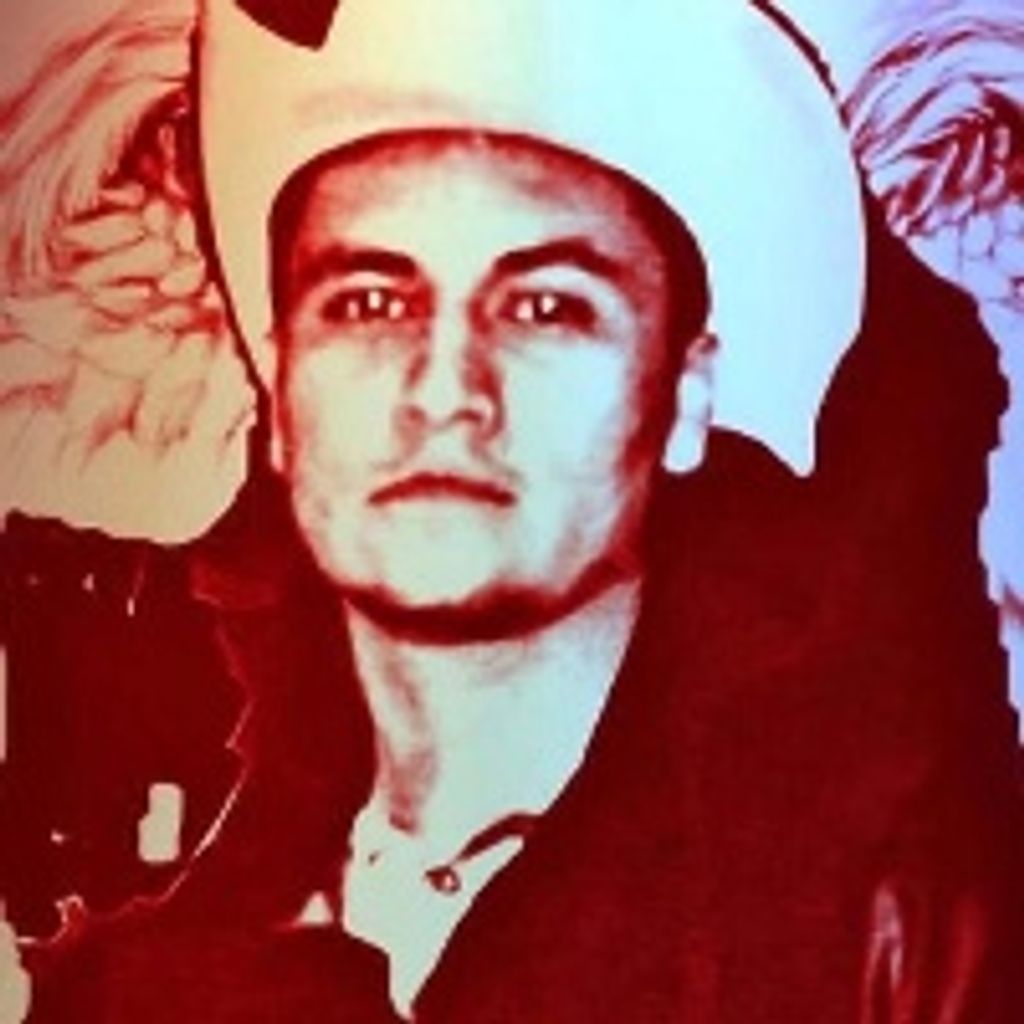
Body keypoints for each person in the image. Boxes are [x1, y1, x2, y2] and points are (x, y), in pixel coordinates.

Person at [18, 0, 1024, 1021]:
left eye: (546, 307)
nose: (444, 389)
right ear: (278, 394)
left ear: (685, 395)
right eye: (370, 302)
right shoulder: (138, 991)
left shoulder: (899, 938)